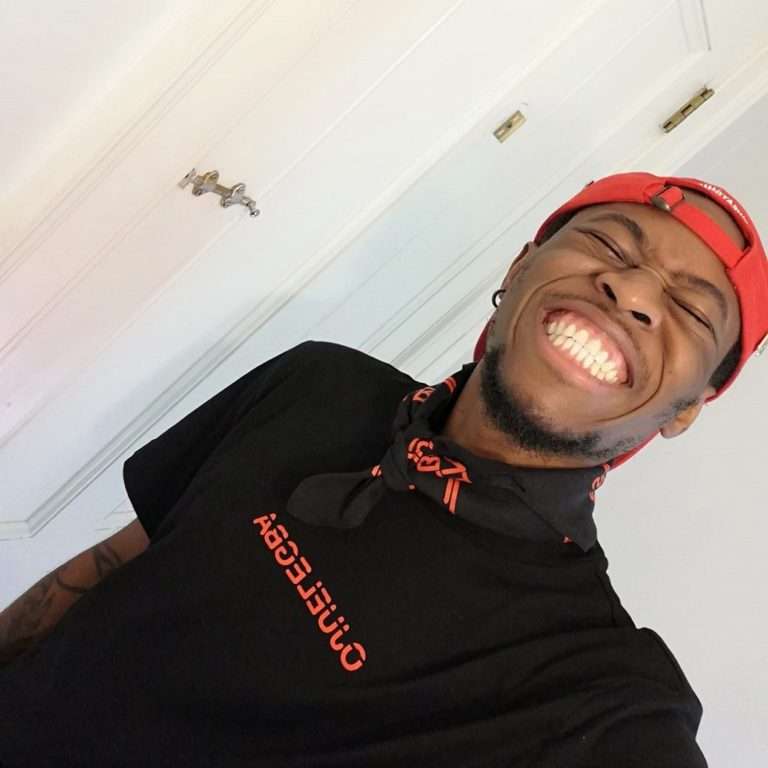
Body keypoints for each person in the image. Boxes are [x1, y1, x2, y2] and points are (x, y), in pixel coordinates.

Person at [0, 172, 765, 767]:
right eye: (609, 246)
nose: (633, 290)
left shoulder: (596, 691)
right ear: (522, 265)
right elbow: (110, 566)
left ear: (686, 409)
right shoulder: (318, 382)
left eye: (693, 312)